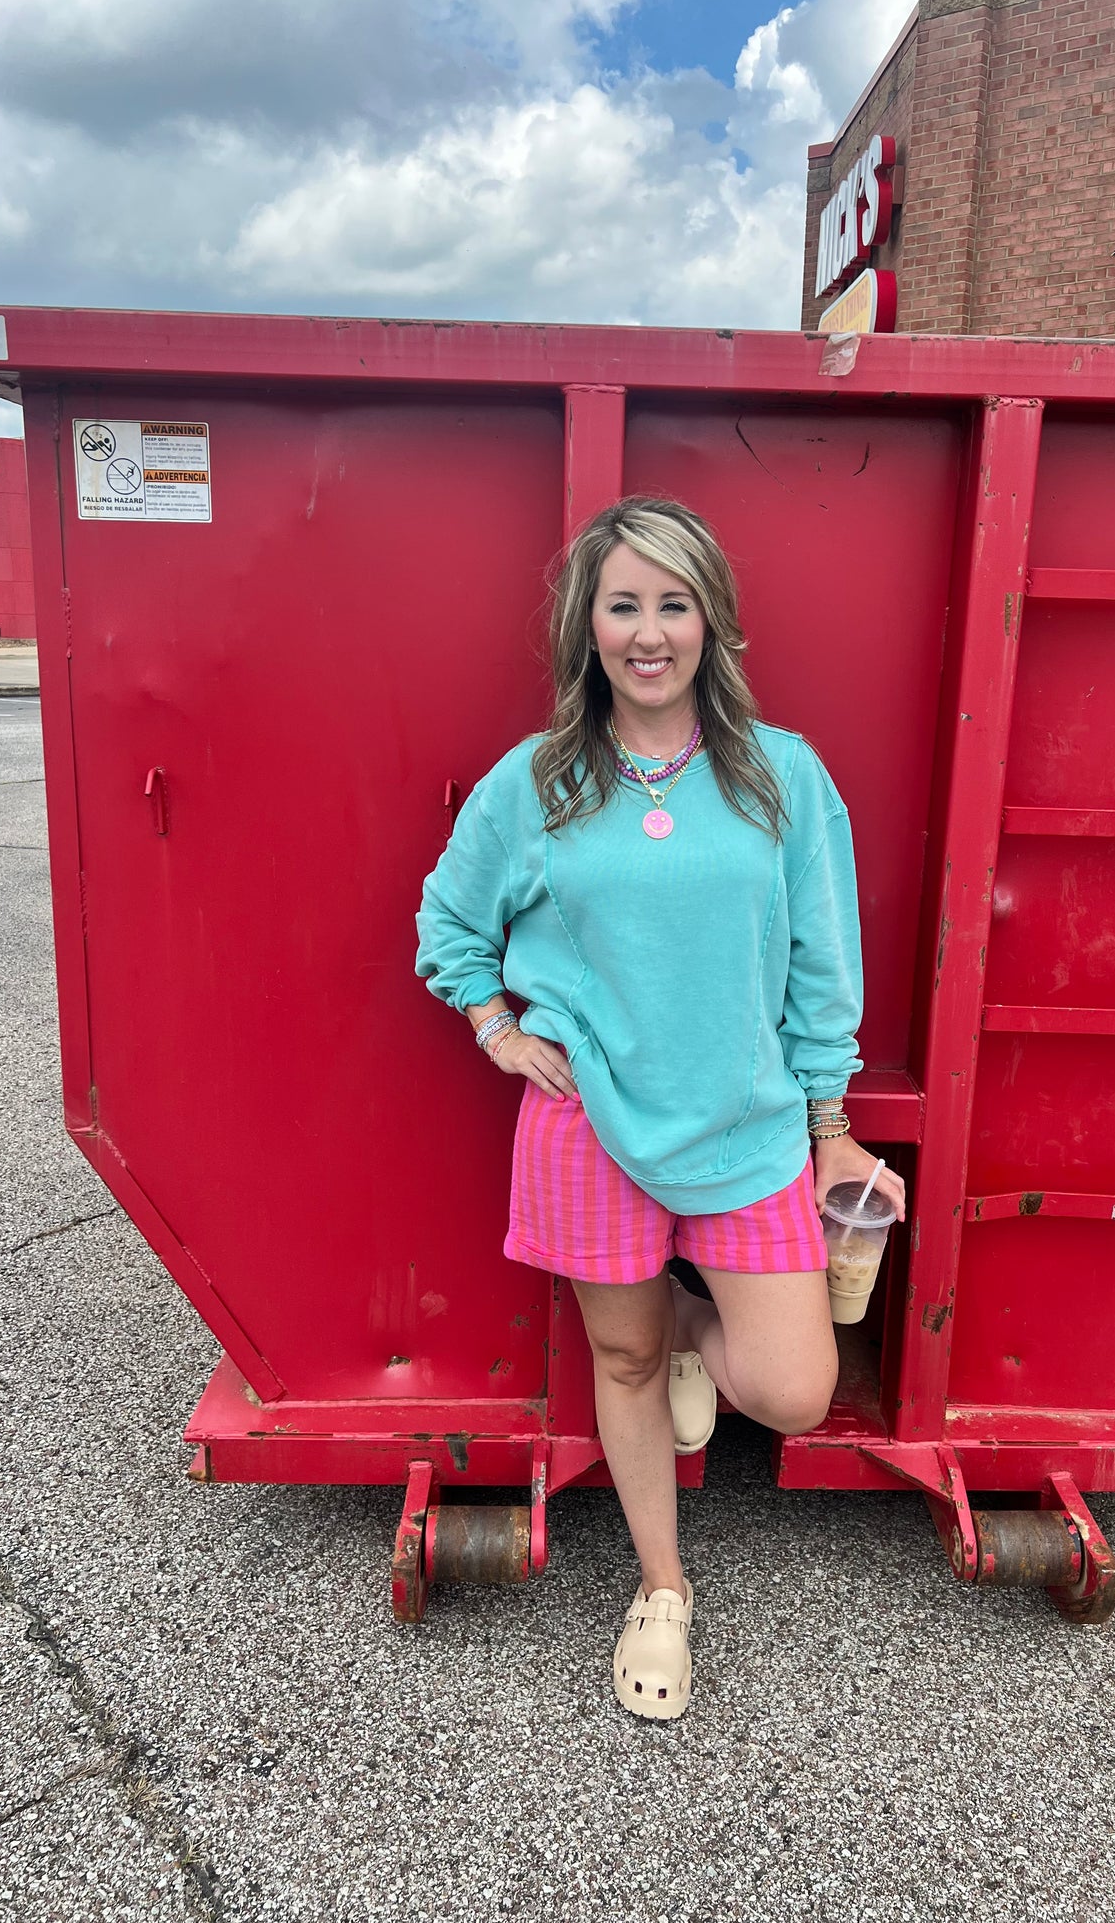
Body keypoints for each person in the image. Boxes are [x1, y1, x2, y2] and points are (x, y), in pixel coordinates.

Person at [415, 496, 905, 1720]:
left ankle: (700, 1332)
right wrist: (495, 1029)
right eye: (622, 604)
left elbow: (819, 958)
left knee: (793, 1390)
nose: (647, 632)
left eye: (671, 604)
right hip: (588, 1127)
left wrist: (828, 1115)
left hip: (742, 1130)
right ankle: (661, 1587)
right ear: (586, 626)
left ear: (710, 622)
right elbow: (448, 923)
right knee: (619, 1358)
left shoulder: (781, 774)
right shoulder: (535, 785)